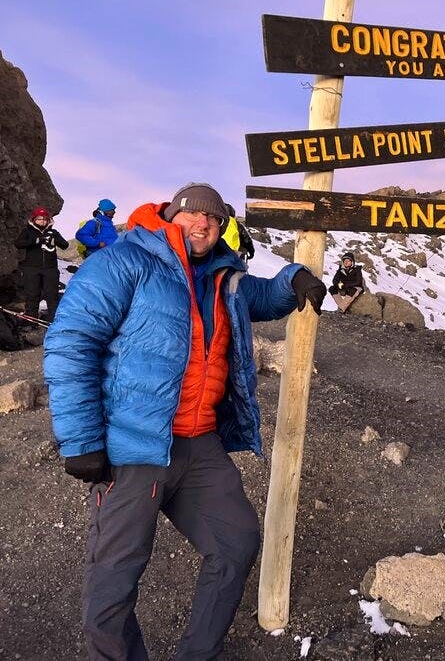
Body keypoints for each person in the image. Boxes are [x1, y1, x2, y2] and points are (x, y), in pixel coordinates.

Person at [44, 182, 328, 660]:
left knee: (235, 543)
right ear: (172, 215)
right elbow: (72, 341)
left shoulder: (224, 277)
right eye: (195, 215)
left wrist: (296, 278)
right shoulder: (124, 262)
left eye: (215, 220)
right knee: (113, 581)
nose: (204, 224)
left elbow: (263, 294)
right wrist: (81, 439)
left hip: (199, 447)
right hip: (134, 449)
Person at [14, 207, 68, 323]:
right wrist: (36, 241)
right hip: (31, 269)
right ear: (34, 220)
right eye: (39, 219)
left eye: (45, 219)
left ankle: (53, 322)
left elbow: (65, 245)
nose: (42, 221)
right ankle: (31, 320)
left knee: (52, 296)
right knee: (32, 295)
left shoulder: (53, 232)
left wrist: (56, 240)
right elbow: (18, 243)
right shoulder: (27, 231)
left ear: (48, 220)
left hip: (50, 269)